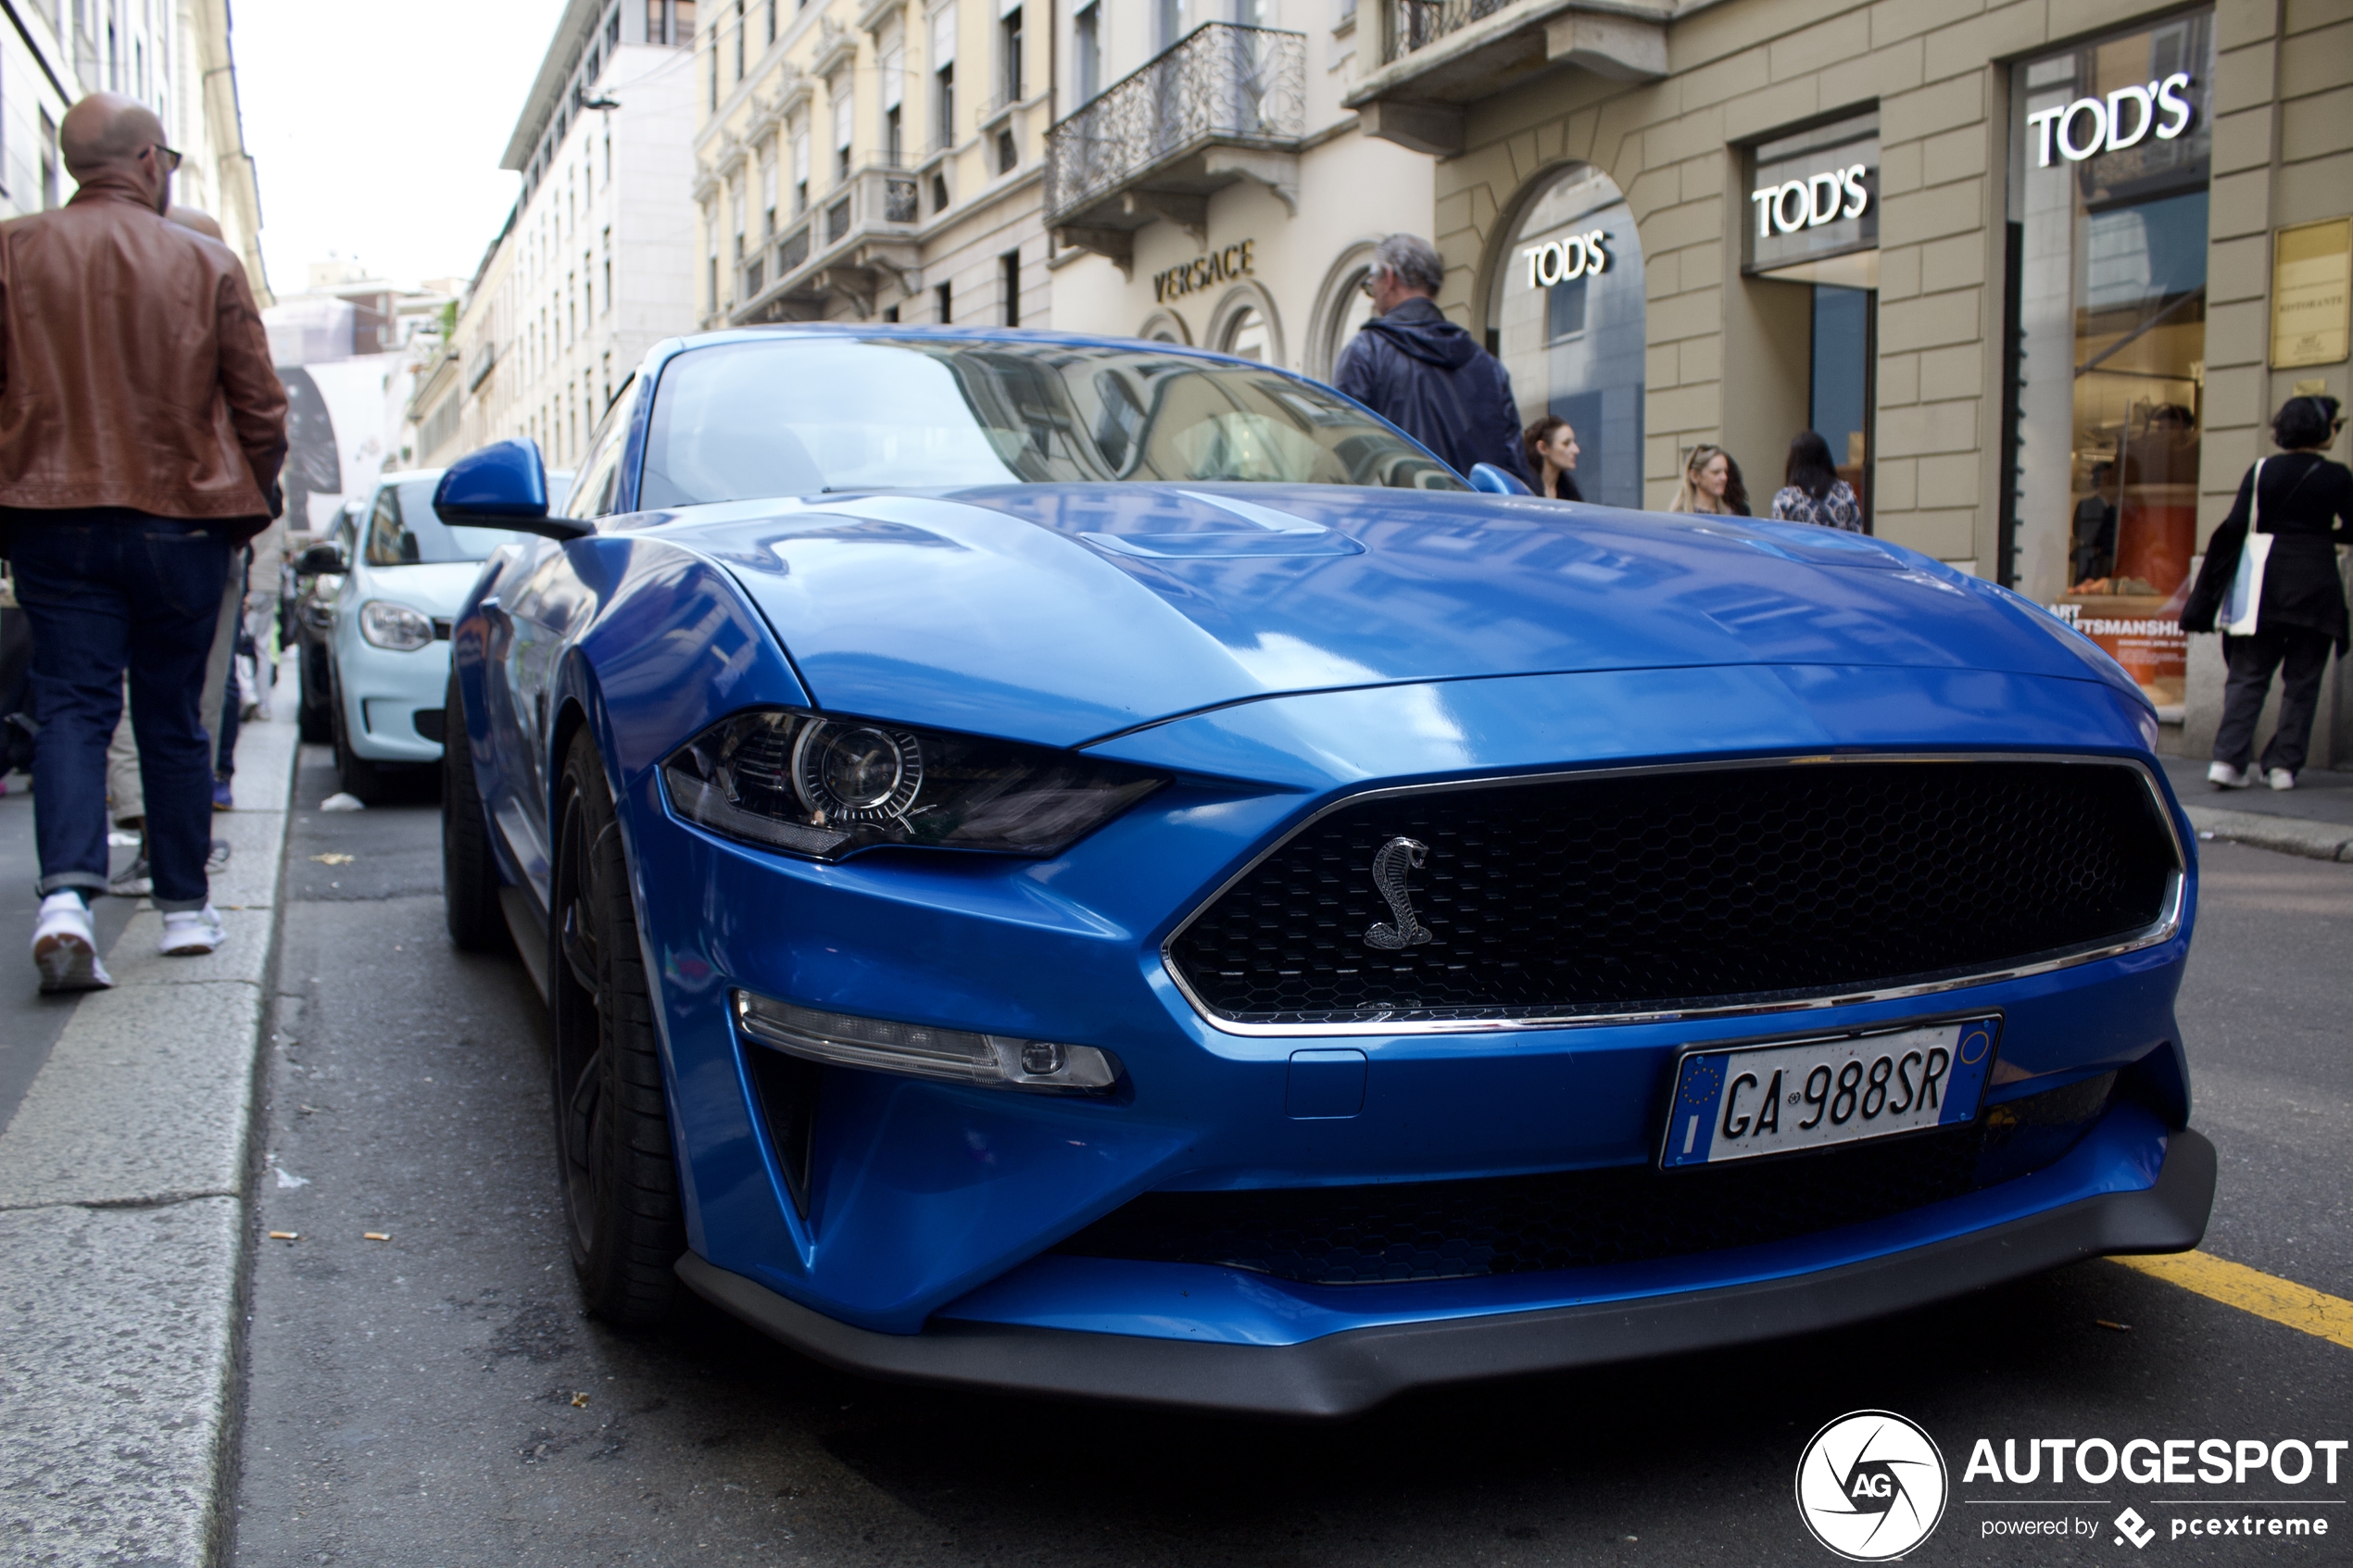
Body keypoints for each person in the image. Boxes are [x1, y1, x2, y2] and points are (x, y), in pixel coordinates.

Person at [0, 94, 287, 990]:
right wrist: (251, 503)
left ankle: (66, 900)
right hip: (183, 518)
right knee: (171, 717)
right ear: (152, 161)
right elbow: (260, 406)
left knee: (73, 709)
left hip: (51, 516)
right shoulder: (205, 260)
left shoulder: (13, 250)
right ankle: (186, 910)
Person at [2179, 395, 2350, 791]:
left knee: (2248, 677)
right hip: (2318, 586)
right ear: (2323, 429)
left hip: (2263, 588)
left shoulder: (2261, 472)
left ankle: (2227, 760)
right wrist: (2321, 533)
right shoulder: (2338, 476)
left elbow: (2237, 523)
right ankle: (2283, 768)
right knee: (2303, 682)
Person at [1335, 234, 1533, 486]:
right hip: (1479, 521)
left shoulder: (1366, 352)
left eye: (1371, 281)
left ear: (1390, 278)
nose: (1372, 292)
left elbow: (1344, 457)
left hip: (1401, 521)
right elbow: (1514, 473)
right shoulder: (1488, 366)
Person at [1770, 431, 1864, 530]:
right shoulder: (1844, 492)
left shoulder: (1785, 498)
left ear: (1794, 462)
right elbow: (1856, 535)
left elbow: (1778, 538)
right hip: (1837, 545)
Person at [1523, 415, 1582, 501]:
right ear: (1542, 448)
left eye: (1574, 442)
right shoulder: (1524, 489)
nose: (1576, 450)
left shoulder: (1568, 491)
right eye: (1566, 443)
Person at [1668, 444, 1738, 514]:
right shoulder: (1679, 515)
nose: (1724, 477)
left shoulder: (1730, 515)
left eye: (1726, 472)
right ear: (1695, 476)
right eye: (1716, 472)